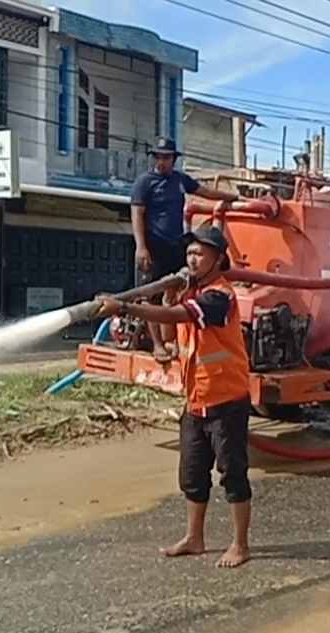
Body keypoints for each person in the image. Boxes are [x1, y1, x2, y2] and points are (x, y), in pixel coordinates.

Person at [93, 225, 253, 568]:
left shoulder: (218, 297)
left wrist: (123, 307)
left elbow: (175, 315)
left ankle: (240, 545)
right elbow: (169, 328)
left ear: (218, 260)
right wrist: (166, 298)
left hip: (226, 399)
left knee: (233, 474)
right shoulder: (191, 294)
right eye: (189, 253)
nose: (191, 259)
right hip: (196, 400)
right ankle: (195, 538)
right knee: (192, 475)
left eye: (199, 254)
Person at [129, 137, 241, 362]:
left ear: (173, 159)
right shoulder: (144, 182)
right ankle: (158, 346)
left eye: (166, 157)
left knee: (176, 292)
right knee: (152, 295)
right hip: (153, 247)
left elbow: (204, 191)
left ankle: (173, 341)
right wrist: (141, 247)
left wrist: (232, 198)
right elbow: (137, 214)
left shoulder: (179, 180)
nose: (161, 161)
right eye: (158, 157)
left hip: (175, 246)